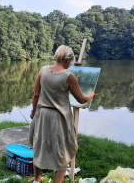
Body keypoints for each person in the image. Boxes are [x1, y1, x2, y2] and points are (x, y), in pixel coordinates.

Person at [29, 45, 95, 183]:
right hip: (58, 118)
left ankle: (37, 179)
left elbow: (36, 95)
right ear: (68, 59)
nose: (70, 64)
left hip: (41, 115)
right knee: (62, 150)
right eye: (70, 61)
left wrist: (33, 111)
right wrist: (90, 95)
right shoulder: (68, 76)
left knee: (39, 146)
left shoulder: (43, 70)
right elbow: (81, 99)